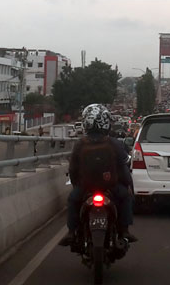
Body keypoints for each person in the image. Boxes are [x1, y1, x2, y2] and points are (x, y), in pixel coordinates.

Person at [59, 104, 137, 246]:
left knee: (72, 200)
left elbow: (73, 169)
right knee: (126, 197)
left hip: (85, 187)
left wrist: (77, 185)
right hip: (111, 186)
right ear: (105, 123)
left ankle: (71, 232)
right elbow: (125, 162)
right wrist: (129, 186)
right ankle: (125, 230)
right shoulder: (113, 143)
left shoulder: (80, 144)